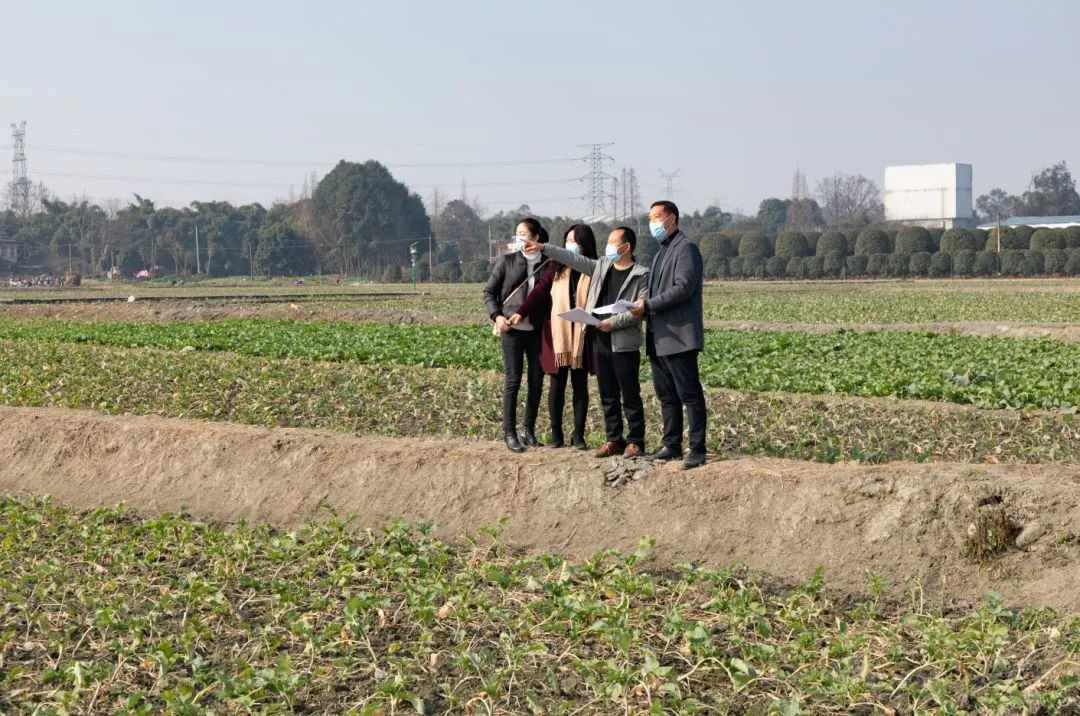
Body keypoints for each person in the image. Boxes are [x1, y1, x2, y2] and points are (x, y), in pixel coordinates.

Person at [523, 226, 649, 458]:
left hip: (623, 341)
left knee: (629, 393)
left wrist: (613, 322)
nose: (608, 245)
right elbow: (571, 257)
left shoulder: (641, 274)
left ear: (626, 246)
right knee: (607, 394)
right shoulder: (601, 266)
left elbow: (639, 309)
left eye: (613, 241)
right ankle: (614, 439)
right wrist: (544, 248)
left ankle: (636, 441)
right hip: (600, 338)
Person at [628, 201, 707, 469]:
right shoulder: (662, 250)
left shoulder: (685, 248)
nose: (652, 223)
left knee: (689, 394)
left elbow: (683, 288)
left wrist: (647, 305)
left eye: (656, 217)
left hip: (678, 336)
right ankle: (671, 445)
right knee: (666, 395)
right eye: (650, 218)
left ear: (671, 219)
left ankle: (697, 449)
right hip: (658, 335)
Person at [510, 225, 598, 449]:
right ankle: (557, 436)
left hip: (582, 335)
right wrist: (521, 312)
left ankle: (578, 436)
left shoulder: (594, 270)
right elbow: (539, 291)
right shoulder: (555, 268)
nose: (570, 245)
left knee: (580, 386)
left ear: (585, 244)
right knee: (556, 385)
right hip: (557, 334)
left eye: (575, 241)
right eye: (567, 240)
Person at [483, 218, 551, 453]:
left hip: (537, 330)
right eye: (517, 233)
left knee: (536, 382)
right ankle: (509, 433)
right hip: (511, 330)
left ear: (537, 237)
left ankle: (529, 430)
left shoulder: (549, 264)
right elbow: (489, 292)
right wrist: (497, 316)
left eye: (524, 233)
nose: (519, 237)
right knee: (513, 381)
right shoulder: (507, 261)